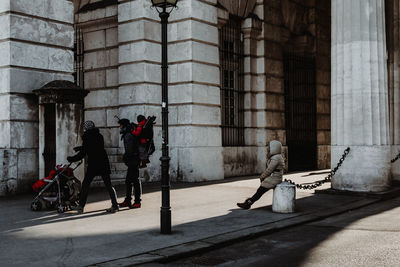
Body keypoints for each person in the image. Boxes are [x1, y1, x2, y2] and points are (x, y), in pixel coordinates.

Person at [67, 120, 119, 213]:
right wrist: (80, 148)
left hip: (94, 164)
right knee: (108, 185)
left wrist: (71, 159)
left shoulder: (87, 137)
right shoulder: (99, 136)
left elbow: (84, 152)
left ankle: (81, 206)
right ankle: (115, 205)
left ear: (85, 129)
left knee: (86, 185)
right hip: (103, 163)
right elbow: (93, 147)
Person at [237, 140, 285, 209]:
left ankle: (248, 203)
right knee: (260, 191)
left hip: (274, 179)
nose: (268, 149)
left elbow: (269, 170)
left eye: (270, 147)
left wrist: (262, 177)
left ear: (274, 147)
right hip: (275, 177)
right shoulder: (278, 156)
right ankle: (249, 202)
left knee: (260, 191)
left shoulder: (276, 158)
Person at [118, 118, 142, 209]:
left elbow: (130, 150)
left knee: (134, 181)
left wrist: (126, 157)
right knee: (129, 181)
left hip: (133, 160)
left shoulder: (128, 135)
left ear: (124, 125)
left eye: (120, 125)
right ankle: (128, 200)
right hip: (134, 159)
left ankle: (137, 202)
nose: (120, 127)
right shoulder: (130, 133)